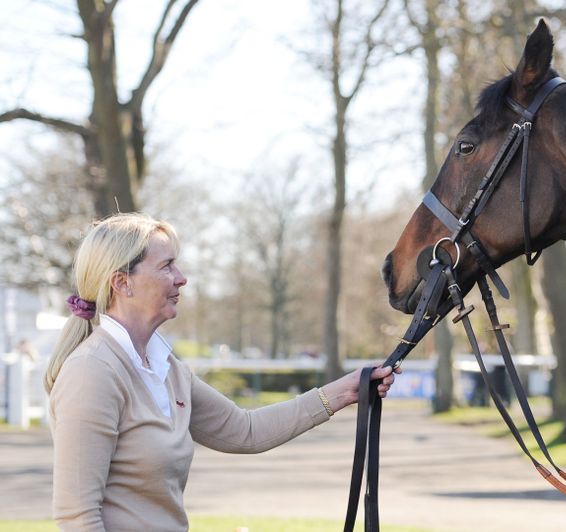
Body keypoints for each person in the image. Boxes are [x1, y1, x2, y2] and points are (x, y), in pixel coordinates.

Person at [44, 212, 397, 531]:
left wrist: (346, 392)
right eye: (166, 266)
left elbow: (245, 431)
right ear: (122, 283)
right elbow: (78, 517)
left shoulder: (167, 370)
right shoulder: (92, 373)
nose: (181, 279)